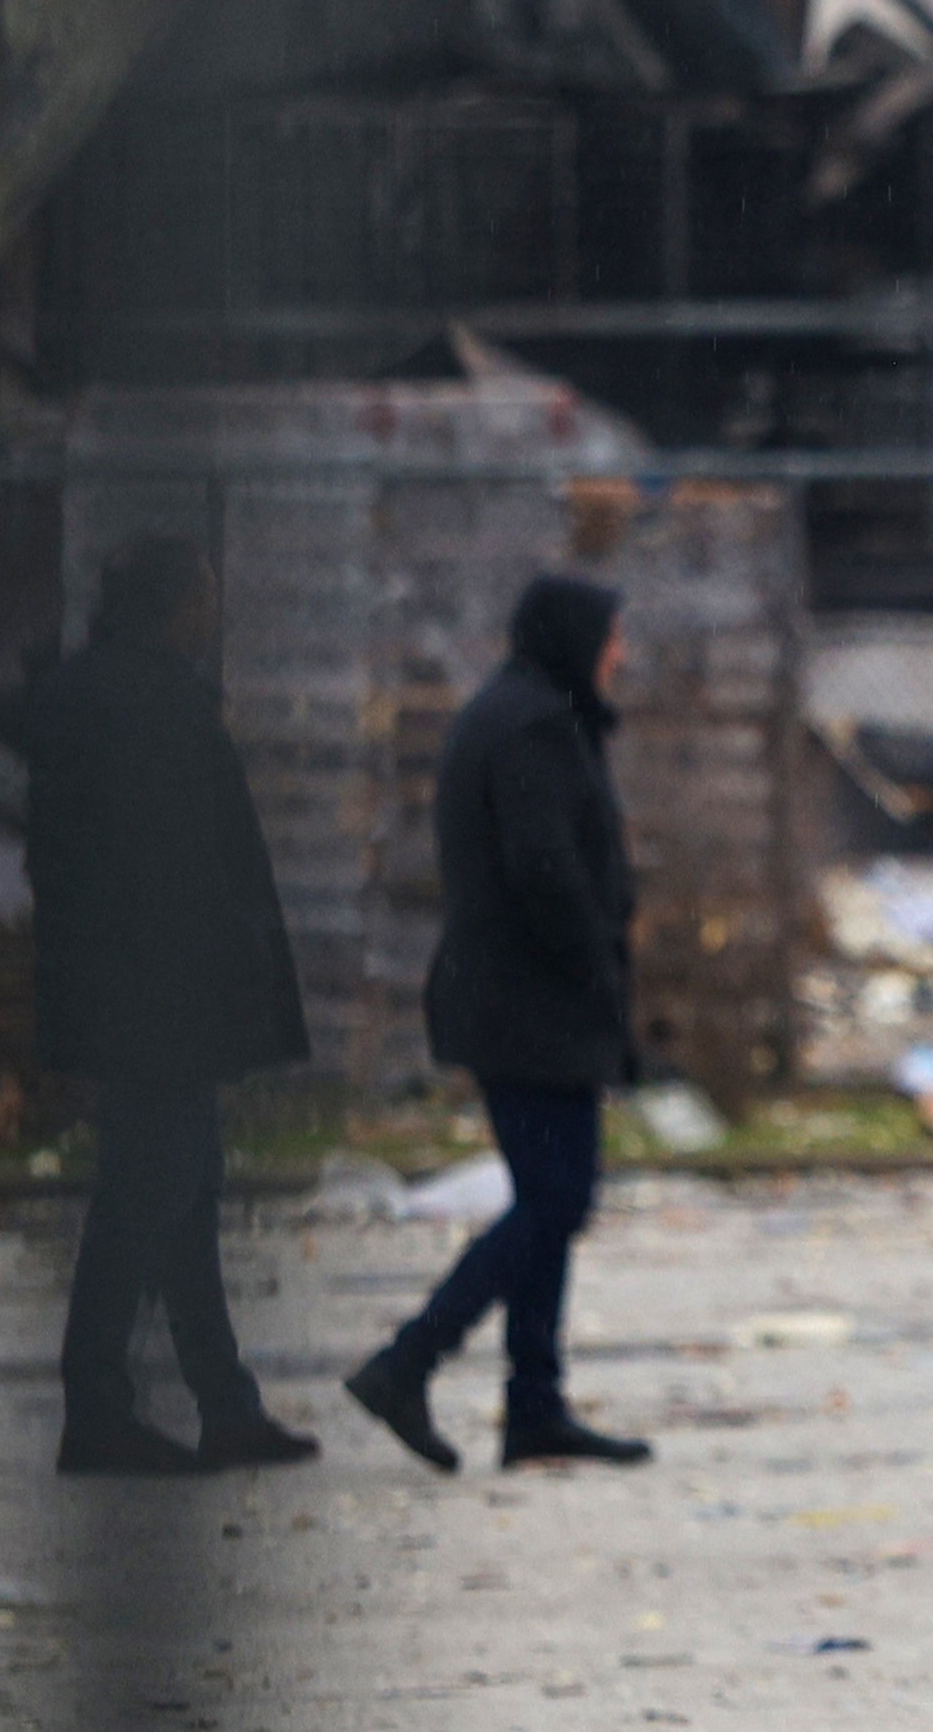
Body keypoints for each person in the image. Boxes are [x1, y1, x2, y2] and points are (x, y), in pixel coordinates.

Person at [0, 539, 321, 1478]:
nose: (213, 611)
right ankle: (97, 1406)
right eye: (203, 595)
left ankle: (223, 1403)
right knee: (146, 1198)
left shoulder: (110, 696)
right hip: (157, 997)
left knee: (185, 1197)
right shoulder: (144, 706)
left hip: (138, 993)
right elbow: (176, 869)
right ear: (172, 604)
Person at [345, 573, 649, 1474]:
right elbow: (546, 875)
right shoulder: (533, 729)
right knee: (556, 1201)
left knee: (548, 1203)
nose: (622, 654)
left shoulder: (524, 713)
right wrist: (597, 966)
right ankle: (408, 1361)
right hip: (531, 1006)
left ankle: (534, 1408)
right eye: (612, 636)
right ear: (576, 639)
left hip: (521, 1001)